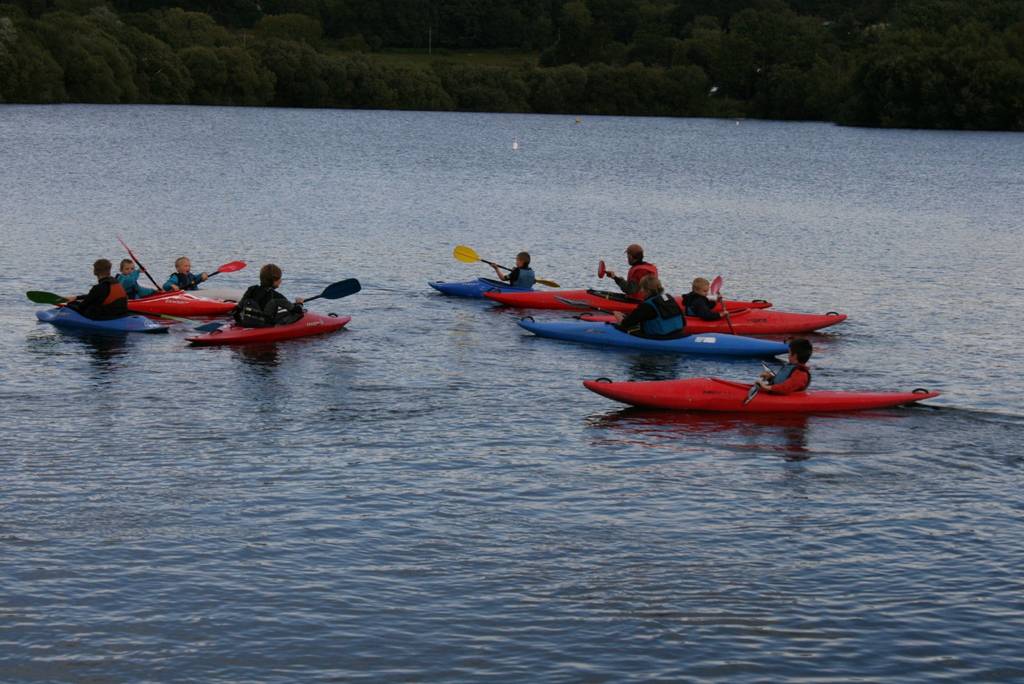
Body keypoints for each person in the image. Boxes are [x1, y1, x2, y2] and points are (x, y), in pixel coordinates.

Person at [612, 275, 685, 339]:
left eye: (642, 288)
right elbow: (683, 321)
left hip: (661, 338)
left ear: (647, 290)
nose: (640, 291)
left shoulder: (646, 306)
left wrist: (619, 318)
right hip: (679, 334)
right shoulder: (668, 297)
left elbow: (626, 324)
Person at [233, 264, 305, 327]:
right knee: (298, 314)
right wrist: (299, 303)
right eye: (280, 278)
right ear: (274, 281)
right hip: (264, 325)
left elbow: (236, 310)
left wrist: (239, 323)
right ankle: (278, 326)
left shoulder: (251, 289)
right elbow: (297, 311)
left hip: (245, 323)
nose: (281, 280)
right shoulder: (277, 296)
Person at [63, 259, 128, 320]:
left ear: (95, 272)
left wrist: (71, 303)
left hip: (107, 315)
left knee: (72, 304)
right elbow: (98, 295)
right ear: (109, 270)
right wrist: (76, 297)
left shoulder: (98, 287)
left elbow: (82, 306)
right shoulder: (116, 282)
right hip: (121, 312)